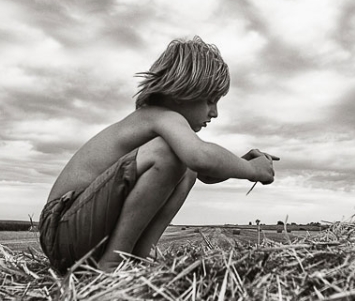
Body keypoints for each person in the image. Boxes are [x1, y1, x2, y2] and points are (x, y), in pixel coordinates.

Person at [38, 36, 278, 273]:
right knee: (169, 155)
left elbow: (203, 170)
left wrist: (240, 161)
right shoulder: (161, 117)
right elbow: (201, 157)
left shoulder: (164, 126)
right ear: (182, 92)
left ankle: (137, 260)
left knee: (185, 166)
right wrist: (253, 170)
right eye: (210, 101)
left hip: (79, 234)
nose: (214, 113)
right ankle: (113, 265)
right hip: (62, 228)